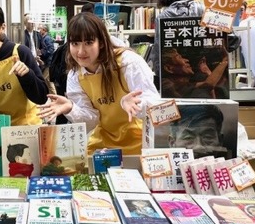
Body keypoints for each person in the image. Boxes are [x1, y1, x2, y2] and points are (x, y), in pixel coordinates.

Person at [38, 12, 160, 155]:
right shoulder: (75, 75)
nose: (81, 51)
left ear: (101, 42)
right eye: (75, 43)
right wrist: (71, 108)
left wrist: (138, 104)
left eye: (88, 43)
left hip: (139, 143)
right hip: (103, 146)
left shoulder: (128, 62)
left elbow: (156, 106)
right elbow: (92, 121)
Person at [152, 0, 205, 80]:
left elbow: (159, 47)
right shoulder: (203, 9)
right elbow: (231, 39)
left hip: (177, 70)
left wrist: (159, 71)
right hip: (204, 62)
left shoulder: (163, 17)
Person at [160, 48, 229, 99]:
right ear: (169, 68)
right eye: (179, 57)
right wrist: (225, 60)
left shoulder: (185, 85)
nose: (186, 60)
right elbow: (208, 84)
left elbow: (208, 87)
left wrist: (207, 72)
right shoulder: (167, 85)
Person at [37, 24, 55, 93]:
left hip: (48, 63)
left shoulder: (47, 38)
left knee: (43, 79)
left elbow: (51, 49)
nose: (39, 31)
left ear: (44, 30)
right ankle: (54, 96)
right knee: (48, 81)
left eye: (40, 29)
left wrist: (41, 52)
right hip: (47, 62)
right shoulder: (43, 38)